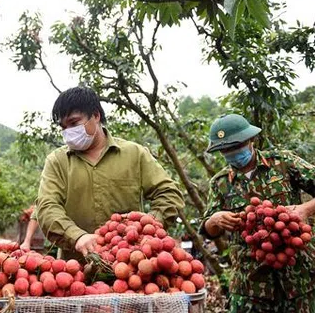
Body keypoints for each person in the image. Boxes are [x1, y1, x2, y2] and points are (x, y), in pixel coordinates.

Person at [36, 86, 185, 259]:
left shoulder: (135, 154)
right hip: (76, 270)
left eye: (74, 123)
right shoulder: (57, 162)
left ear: (96, 116)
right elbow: (47, 207)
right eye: (63, 127)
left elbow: (168, 193)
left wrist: (148, 227)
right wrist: (77, 236)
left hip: (132, 264)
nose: (69, 132)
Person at [200, 113, 315, 312]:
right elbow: (209, 230)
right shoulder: (220, 183)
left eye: (235, 146)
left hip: (300, 279)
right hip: (250, 287)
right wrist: (215, 220)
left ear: (251, 139)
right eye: (225, 150)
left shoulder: (283, 162)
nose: (231, 153)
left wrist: (306, 209)